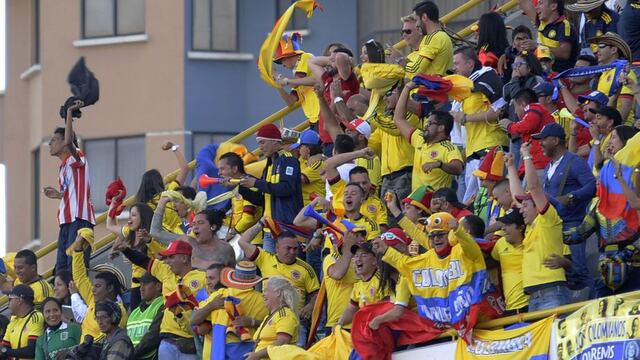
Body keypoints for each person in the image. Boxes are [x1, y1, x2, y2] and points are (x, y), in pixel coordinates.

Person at [114, 239, 206, 360]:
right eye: (166, 258)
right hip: (167, 341)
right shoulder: (166, 272)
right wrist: (125, 250)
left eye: (171, 257)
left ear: (184, 258)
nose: (167, 261)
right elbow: (144, 261)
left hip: (190, 341)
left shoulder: (202, 278)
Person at [534, 123, 596, 297]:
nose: (540, 143)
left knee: (579, 271)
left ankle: (594, 307)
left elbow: (592, 186)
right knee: (568, 273)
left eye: (543, 139)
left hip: (572, 224)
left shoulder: (574, 161)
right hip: (557, 226)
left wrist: (571, 197)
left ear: (555, 140)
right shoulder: (550, 166)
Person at [506, 143, 568, 312]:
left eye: (526, 206)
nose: (521, 209)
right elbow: (517, 196)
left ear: (538, 206)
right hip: (534, 297)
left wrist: (526, 155)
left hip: (551, 293)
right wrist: (511, 167)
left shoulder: (547, 219)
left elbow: (534, 188)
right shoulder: (530, 226)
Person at [237, 222, 319, 347]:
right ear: (277, 248)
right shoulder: (265, 259)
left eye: (295, 248)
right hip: (268, 319)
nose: (292, 252)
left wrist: (309, 306)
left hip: (294, 321)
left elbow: (317, 293)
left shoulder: (305, 268)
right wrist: (261, 224)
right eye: (288, 248)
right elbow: (242, 242)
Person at [44, 100, 95, 275]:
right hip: (66, 221)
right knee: (62, 269)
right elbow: (73, 194)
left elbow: (69, 141)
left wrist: (69, 115)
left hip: (79, 219)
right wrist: (59, 195)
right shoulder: (63, 166)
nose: (50, 144)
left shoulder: (77, 157)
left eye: (53, 140)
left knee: (76, 266)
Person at [451, 46, 508, 204]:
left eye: (457, 63)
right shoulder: (462, 89)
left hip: (490, 149)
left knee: (490, 201)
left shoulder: (487, 76)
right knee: (473, 205)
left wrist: (466, 118)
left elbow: (499, 110)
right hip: (472, 154)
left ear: (470, 64)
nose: (454, 67)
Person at [238, 124, 303, 254]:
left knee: (288, 271)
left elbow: (286, 188)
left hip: (287, 228)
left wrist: (256, 183)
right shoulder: (269, 165)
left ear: (274, 141)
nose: (260, 147)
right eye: (259, 143)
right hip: (269, 229)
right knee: (270, 271)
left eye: (262, 142)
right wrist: (241, 187)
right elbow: (261, 200)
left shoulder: (288, 160)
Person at [394, 82, 464, 192]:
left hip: (435, 204)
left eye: (430, 123)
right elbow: (398, 119)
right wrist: (407, 88)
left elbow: (458, 168)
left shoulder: (448, 148)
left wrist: (439, 164)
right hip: (417, 202)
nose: (426, 126)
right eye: (426, 123)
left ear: (441, 128)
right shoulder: (419, 139)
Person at [192, 262, 268, 360]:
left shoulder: (220, 295)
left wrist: (211, 306)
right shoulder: (262, 300)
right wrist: (253, 322)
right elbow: (272, 326)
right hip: (251, 351)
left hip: (218, 352)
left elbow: (193, 321)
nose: (208, 282)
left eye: (211, 278)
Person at [71, 233, 128, 341]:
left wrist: (84, 348)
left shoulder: (119, 311)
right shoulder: (93, 299)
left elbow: (109, 337)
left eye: (98, 286)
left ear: (110, 288)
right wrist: (78, 249)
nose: (93, 289)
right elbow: (80, 278)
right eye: (94, 286)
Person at [308, 46, 360, 152]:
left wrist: (338, 57)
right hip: (326, 139)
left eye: (334, 59)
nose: (329, 62)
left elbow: (331, 119)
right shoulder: (328, 78)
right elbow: (311, 62)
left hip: (340, 138)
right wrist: (331, 59)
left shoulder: (347, 79)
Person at [106, 202, 156, 311]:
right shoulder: (129, 232)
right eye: (129, 216)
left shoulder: (153, 235)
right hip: (135, 285)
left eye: (133, 215)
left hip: (151, 284)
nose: (129, 220)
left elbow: (160, 257)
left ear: (143, 217)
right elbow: (109, 225)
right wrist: (114, 203)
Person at [499, 87, 554, 178]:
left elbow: (527, 125)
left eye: (515, 108)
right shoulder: (539, 110)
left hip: (540, 165)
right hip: (537, 163)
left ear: (523, 104)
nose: (515, 112)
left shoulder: (533, 107)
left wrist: (509, 126)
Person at [336, 242, 391, 327]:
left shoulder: (382, 281)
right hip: (367, 329)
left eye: (364, 255)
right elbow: (351, 309)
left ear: (375, 261)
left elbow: (387, 309)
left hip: (382, 329)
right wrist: (340, 323)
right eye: (356, 256)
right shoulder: (358, 283)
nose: (358, 259)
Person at [244, 277, 299, 360]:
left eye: (266, 290)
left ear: (278, 292)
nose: (263, 294)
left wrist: (258, 355)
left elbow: (282, 342)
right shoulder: (270, 316)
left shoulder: (285, 314)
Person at [273, 33, 320, 130]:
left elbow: (294, 81)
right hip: (314, 120)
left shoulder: (305, 57)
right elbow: (290, 102)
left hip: (322, 116)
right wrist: (278, 86)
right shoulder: (297, 78)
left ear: (289, 56)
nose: (282, 65)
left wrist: (278, 76)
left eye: (281, 60)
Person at [519, 0, 579, 72]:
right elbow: (523, 2)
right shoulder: (541, 24)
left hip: (561, 77)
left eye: (540, 3)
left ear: (553, 6)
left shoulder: (564, 26)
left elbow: (564, 53)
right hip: (544, 74)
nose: (536, 7)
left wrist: (537, 47)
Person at [590, 32, 636, 123]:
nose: (596, 50)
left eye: (601, 45)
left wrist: (616, 129)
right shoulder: (604, 73)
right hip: (605, 126)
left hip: (620, 130)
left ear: (614, 50)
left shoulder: (624, 72)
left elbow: (625, 106)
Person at [218, 152, 262, 242]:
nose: (219, 173)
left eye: (222, 169)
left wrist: (231, 233)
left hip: (255, 241)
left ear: (234, 169)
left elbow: (248, 218)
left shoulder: (248, 184)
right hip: (245, 239)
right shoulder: (237, 185)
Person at [492, 209, 530, 314]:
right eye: (503, 224)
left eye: (508, 225)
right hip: (510, 309)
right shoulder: (500, 244)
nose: (503, 228)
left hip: (532, 306)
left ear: (521, 227)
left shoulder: (532, 243)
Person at [126, 273, 164, 360]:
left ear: (158, 286)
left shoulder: (162, 305)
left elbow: (153, 337)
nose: (141, 288)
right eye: (140, 285)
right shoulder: (134, 312)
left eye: (145, 284)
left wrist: (130, 355)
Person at [0, 285, 44, 359]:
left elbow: (31, 351)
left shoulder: (36, 317)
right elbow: (4, 348)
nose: (8, 303)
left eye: (10, 299)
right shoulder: (14, 319)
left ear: (19, 300)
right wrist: (4, 350)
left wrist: (4, 351)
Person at [411, 1, 453, 76]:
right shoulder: (442, 35)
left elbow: (414, 69)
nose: (416, 25)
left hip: (432, 87)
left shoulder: (432, 38)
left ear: (424, 17)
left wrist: (399, 59)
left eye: (416, 20)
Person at [291, 129, 326, 207]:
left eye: (300, 147)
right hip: (304, 208)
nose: (298, 149)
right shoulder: (303, 160)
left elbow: (299, 179)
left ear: (308, 148)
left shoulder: (319, 164)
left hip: (317, 209)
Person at [387, 14, 424, 79]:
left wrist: (399, 58)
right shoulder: (409, 57)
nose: (404, 35)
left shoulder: (429, 49)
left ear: (420, 31)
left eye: (407, 31)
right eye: (402, 32)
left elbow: (421, 75)